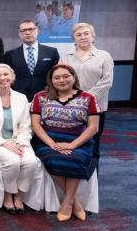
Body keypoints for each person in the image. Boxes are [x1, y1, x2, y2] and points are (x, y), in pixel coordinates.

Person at [30, 64, 100, 222]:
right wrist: (52, 144)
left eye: (66, 76)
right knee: (52, 159)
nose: (62, 80)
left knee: (75, 158)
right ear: (51, 80)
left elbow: (93, 127)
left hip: (79, 140)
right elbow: (35, 125)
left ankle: (67, 203)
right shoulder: (40, 96)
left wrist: (73, 145)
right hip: (47, 139)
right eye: (57, 77)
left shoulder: (88, 98)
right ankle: (75, 203)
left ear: (73, 77)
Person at [0, 64, 40, 215]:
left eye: (5, 74)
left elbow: (26, 126)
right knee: (13, 161)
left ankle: (19, 194)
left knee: (31, 162)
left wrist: (20, 143)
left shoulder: (21, 97)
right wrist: (4, 143)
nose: (3, 78)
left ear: (12, 76)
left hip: (17, 140)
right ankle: (7, 195)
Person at [61, 22, 113, 160]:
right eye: (78, 34)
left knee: (93, 144)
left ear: (93, 36)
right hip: (70, 106)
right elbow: (61, 79)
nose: (83, 37)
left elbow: (107, 81)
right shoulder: (66, 57)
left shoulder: (104, 56)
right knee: (72, 142)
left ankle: (93, 178)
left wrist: (85, 98)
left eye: (86, 33)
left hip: (96, 107)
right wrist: (75, 98)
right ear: (74, 38)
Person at [5, 19, 59, 101]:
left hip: (46, 96)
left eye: (30, 29)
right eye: (23, 30)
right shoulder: (10, 54)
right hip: (19, 97)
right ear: (19, 34)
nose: (27, 33)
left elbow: (56, 74)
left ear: (37, 31)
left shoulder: (51, 52)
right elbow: (8, 77)